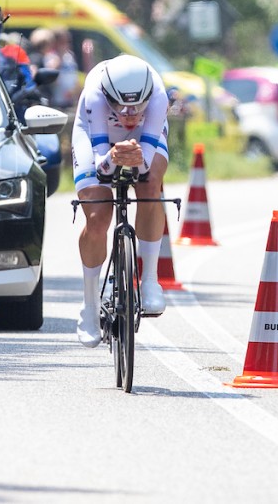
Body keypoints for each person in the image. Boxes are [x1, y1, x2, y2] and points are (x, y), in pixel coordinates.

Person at [71, 54, 170, 347]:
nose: (129, 114)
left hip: (143, 138)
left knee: (151, 186)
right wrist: (113, 158)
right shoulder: (95, 96)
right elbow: (101, 166)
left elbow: (146, 167)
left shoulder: (159, 96)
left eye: (136, 107)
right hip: (95, 135)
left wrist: (137, 159)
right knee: (98, 214)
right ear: (108, 97)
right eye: (122, 107)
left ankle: (150, 280)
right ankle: (90, 305)